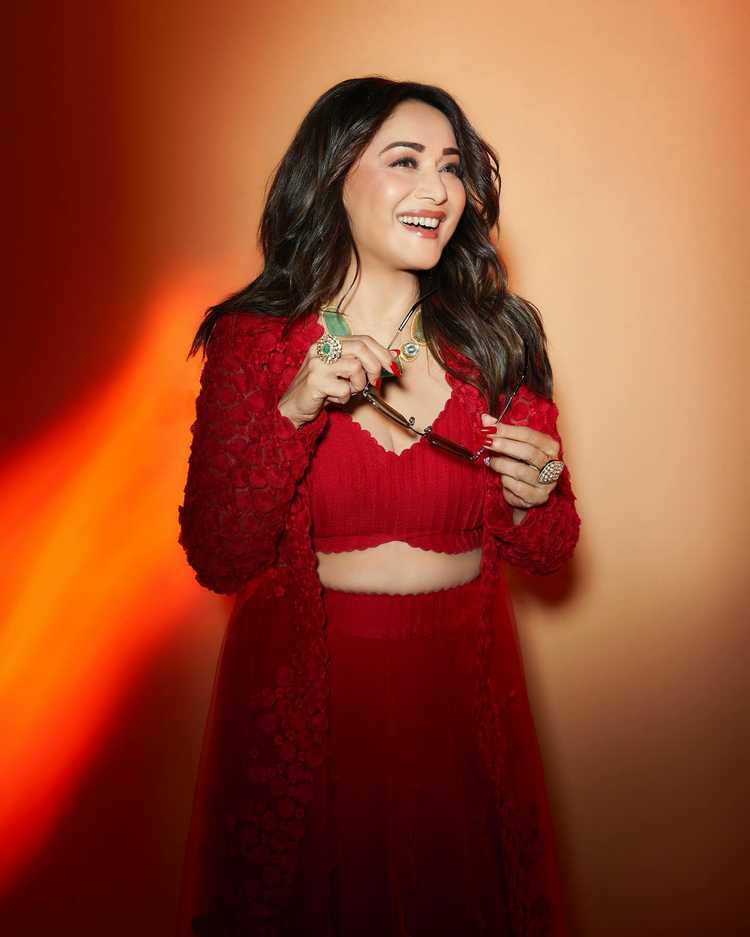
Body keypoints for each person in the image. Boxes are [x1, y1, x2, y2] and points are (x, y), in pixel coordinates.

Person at [175, 76, 581, 937]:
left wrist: (536, 491)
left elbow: (550, 550)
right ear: (333, 176)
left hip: (459, 706)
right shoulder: (257, 341)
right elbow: (219, 553)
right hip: (313, 705)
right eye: (405, 161)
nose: (437, 189)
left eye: (452, 167)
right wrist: (291, 411)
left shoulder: (499, 338)